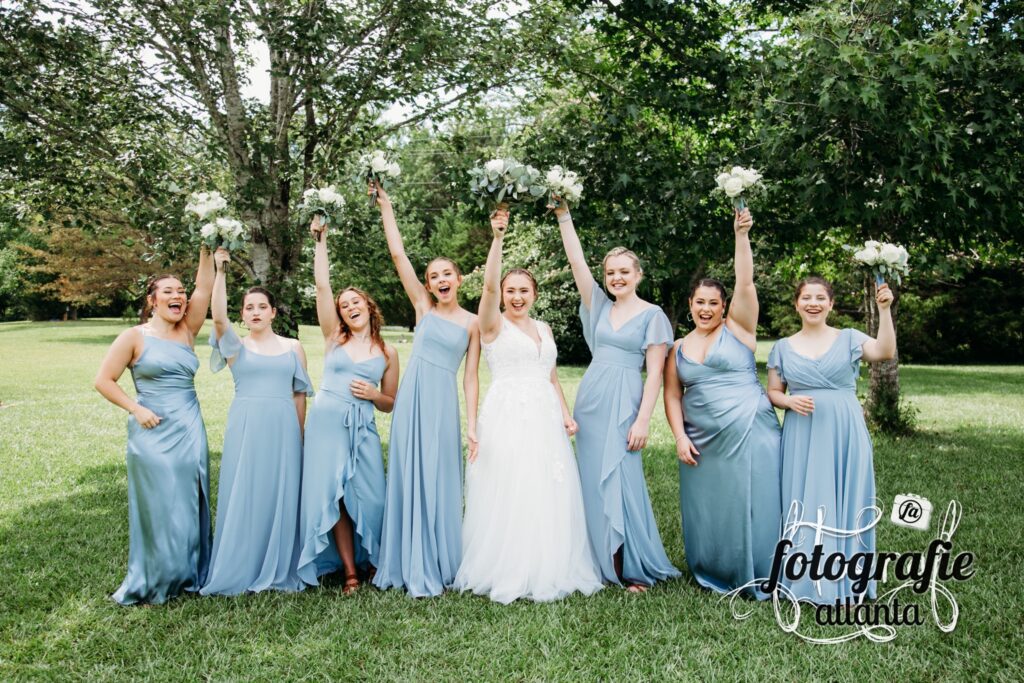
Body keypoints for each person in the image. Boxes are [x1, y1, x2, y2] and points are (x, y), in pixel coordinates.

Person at [453, 207, 603, 603]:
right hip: (507, 413)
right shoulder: (491, 325)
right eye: (510, 291)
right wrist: (498, 239)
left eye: (524, 291)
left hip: (544, 415)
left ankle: (548, 563)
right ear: (501, 295)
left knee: (547, 486)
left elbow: (550, 374)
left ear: (534, 294)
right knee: (511, 485)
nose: (516, 297)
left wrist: (566, 414)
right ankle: (509, 566)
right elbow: (486, 289)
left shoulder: (544, 329)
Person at [554, 203, 680, 592]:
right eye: (611, 273)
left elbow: (656, 373)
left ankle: (630, 566)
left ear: (638, 275)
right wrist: (564, 216)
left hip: (626, 399)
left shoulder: (653, 315)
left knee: (622, 477)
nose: (616, 278)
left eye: (624, 271)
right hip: (591, 399)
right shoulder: (599, 307)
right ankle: (598, 559)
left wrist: (643, 420)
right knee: (591, 479)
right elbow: (576, 263)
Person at [663, 209, 782, 599]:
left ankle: (767, 569)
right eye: (700, 302)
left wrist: (741, 234)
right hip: (702, 442)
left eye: (714, 302)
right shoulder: (678, 348)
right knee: (712, 508)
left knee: (755, 502)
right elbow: (672, 393)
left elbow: (745, 281)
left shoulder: (739, 328)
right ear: (691, 303)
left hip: (750, 432)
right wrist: (679, 437)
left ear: (724, 305)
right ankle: (717, 568)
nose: (706, 309)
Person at [370, 184, 481, 597]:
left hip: (441, 403)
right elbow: (398, 255)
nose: (438, 281)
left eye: (445, 274)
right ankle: (404, 557)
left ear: (459, 278)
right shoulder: (423, 307)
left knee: (440, 476)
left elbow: (470, 377)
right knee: (407, 472)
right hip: (413, 398)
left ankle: (439, 559)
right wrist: (387, 208)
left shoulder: (472, 323)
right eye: (433, 276)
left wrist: (473, 424)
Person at [94, 247, 214, 605]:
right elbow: (104, 380)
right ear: (152, 300)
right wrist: (135, 408)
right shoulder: (134, 337)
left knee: (190, 498)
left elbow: (204, 287)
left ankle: (189, 573)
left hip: (189, 425)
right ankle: (155, 575)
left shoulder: (188, 330)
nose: (178, 296)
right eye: (169, 292)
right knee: (159, 502)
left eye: (181, 291)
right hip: (151, 428)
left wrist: (207, 244)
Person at [766, 276, 896, 604]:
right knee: (805, 499)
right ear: (796, 304)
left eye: (820, 297)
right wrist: (789, 402)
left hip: (844, 430)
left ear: (831, 304)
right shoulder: (782, 346)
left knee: (847, 498)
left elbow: (885, 351)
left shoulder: (849, 338)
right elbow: (773, 391)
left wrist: (884, 311)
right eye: (806, 297)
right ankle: (806, 577)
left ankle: (848, 577)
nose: (813, 303)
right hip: (802, 433)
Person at [200, 248, 311, 596]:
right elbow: (218, 318)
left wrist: (300, 435)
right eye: (249, 308)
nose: (256, 312)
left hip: (284, 428)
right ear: (243, 315)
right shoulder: (235, 346)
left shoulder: (293, 347)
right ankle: (242, 563)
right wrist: (220, 271)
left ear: (274, 312)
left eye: (262, 306)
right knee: (246, 492)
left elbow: (298, 395)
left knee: (280, 492)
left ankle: (280, 564)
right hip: (247, 426)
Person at [297, 216, 399, 595]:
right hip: (326, 421)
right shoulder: (333, 339)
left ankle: (375, 556)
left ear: (368, 307)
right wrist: (321, 242)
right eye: (344, 305)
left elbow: (390, 403)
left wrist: (374, 396)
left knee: (371, 493)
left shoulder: (387, 351)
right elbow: (322, 286)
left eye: (355, 301)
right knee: (333, 495)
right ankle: (350, 569)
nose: (348, 306)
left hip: (363, 426)